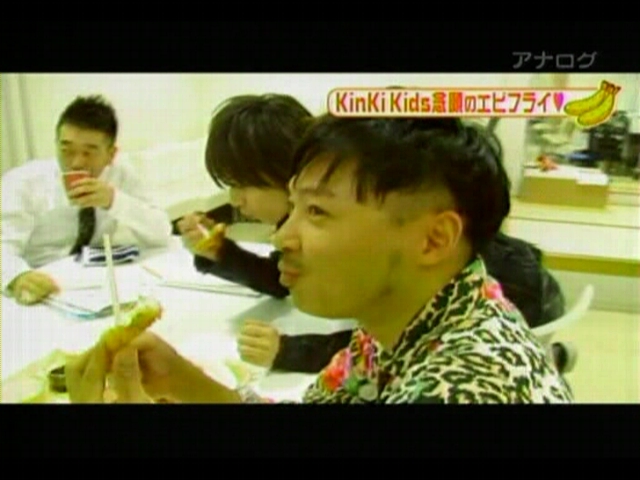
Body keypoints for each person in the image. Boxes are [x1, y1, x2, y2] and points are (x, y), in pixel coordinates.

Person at [67, 115, 573, 404]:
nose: (283, 235)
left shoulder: (460, 388)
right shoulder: (402, 322)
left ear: (433, 239)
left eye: (317, 211)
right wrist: (179, 379)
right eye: (293, 206)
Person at [175, 95, 574, 375]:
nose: (235, 200)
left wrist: (291, 351)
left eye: (316, 209)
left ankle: (547, 356)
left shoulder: (454, 366)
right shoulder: (383, 335)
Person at [1, 95, 173, 305]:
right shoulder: (23, 182)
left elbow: (161, 233)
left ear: (111, 154)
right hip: (37, 280)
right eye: (66, 150)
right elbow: (3, 246)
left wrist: (114, 201)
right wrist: (17, 276)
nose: (76, 163)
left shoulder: (121, 176)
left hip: (93, 281)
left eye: (88, 153)